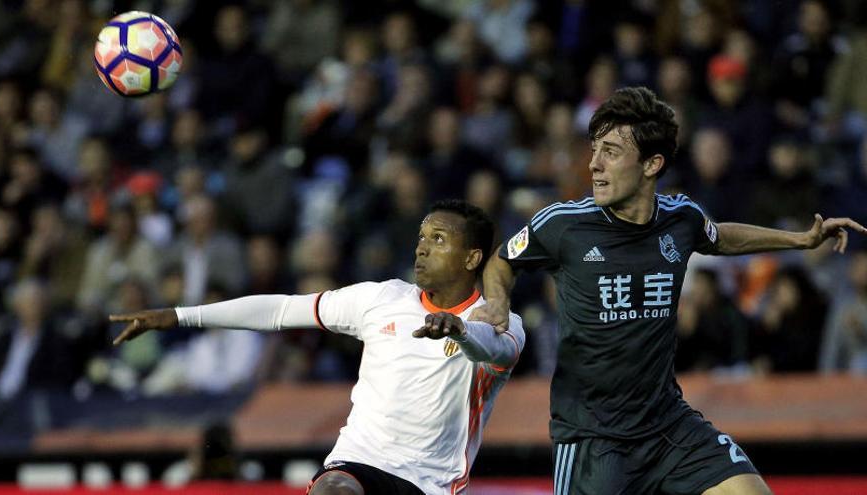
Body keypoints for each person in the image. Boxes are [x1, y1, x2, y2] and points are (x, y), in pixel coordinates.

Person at [471, 87, 867, 495]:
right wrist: (498, 301)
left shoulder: (681, 218)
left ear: (651, 163)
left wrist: (801, 240)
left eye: (610, 151)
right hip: (594, 439)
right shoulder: (563, 224)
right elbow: (502, 260)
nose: (594, 164)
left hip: (668, 426)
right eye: (594, 150)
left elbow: (720, 237)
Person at [110, 199, 525, 495]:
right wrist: (181, 315)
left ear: (472, 258)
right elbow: (281, 310)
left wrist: (459, 331)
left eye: (438, 239)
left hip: (432, 484)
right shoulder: (381, 299)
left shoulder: (499, 323)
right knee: (334, 488)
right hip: (360, 463)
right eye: (421, 236)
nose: (421, 247)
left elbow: (495, 350)